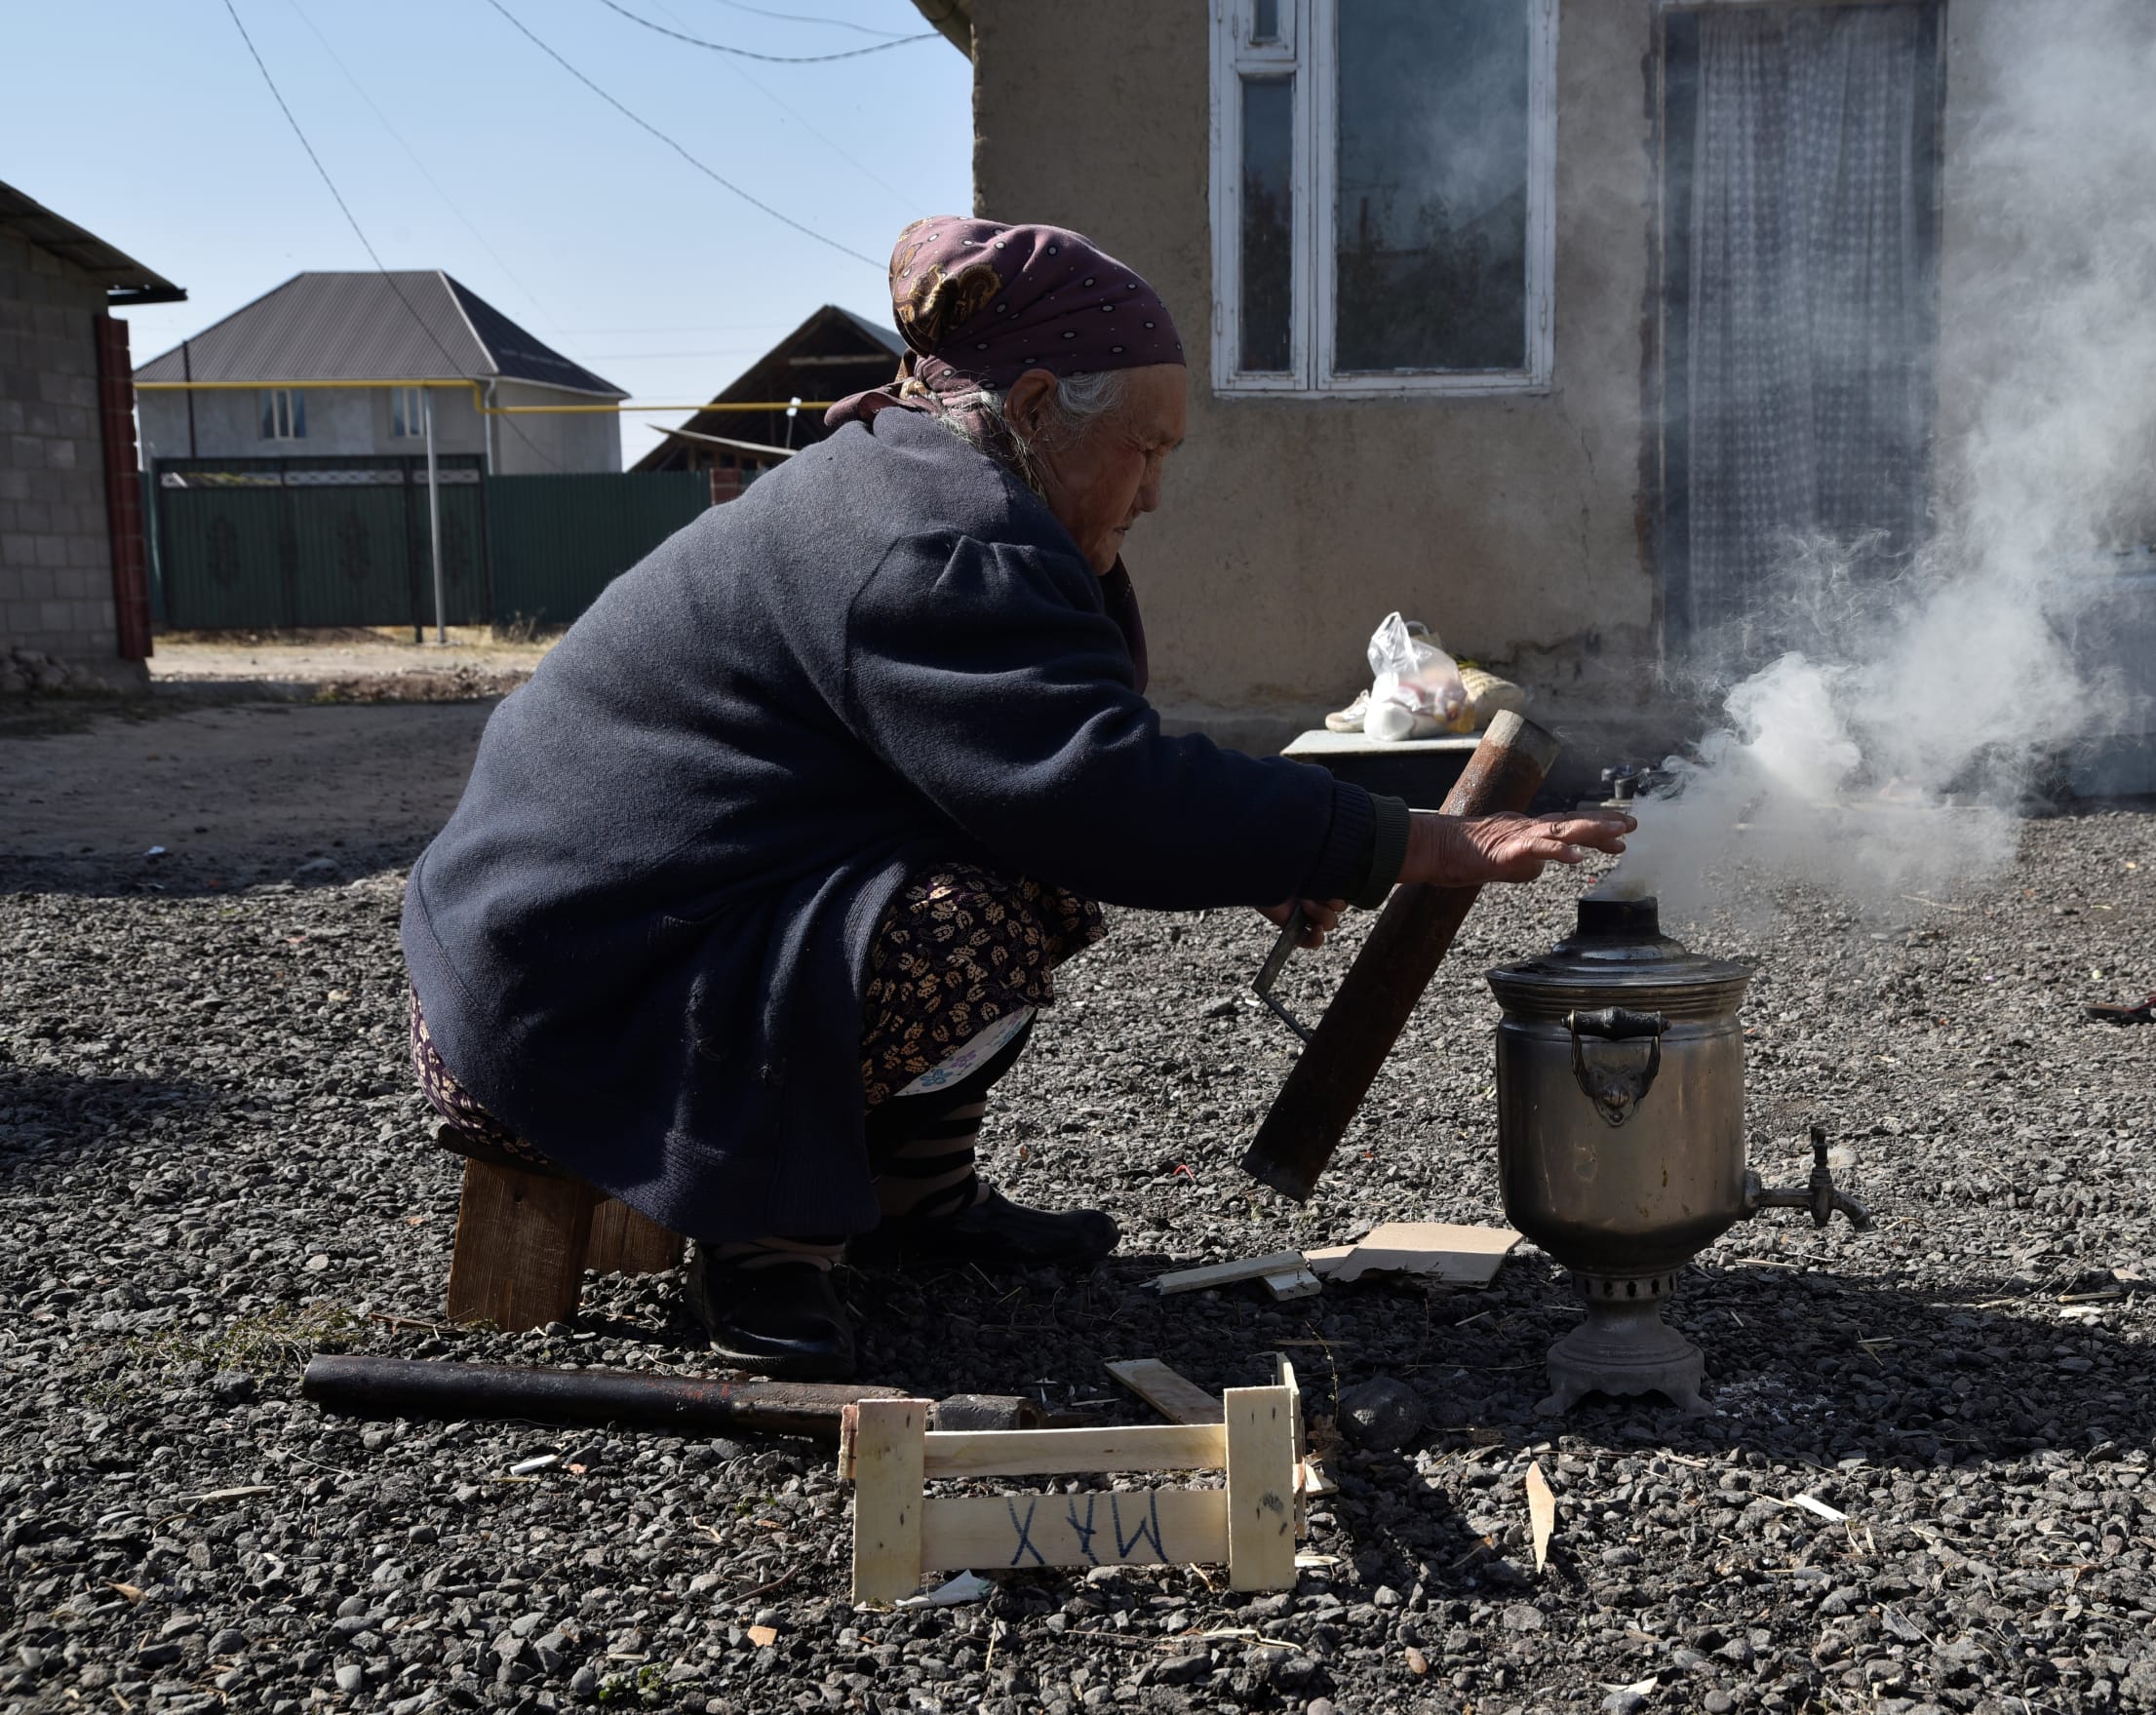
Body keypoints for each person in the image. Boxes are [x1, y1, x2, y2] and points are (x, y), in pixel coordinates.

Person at [403, 216, 1631, 1377]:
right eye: (1144, 448)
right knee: (974, 923)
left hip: (588, 944)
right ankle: (760, 1239)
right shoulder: (938, 540)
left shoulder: (915, 479)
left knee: (1026, 875)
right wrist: (1419, 842)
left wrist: (1276, 850)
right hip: (567, 1008)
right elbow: (1093, 788)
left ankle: (908, 1200)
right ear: (1037, 407)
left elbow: (1047, 759)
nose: (1153, 490)